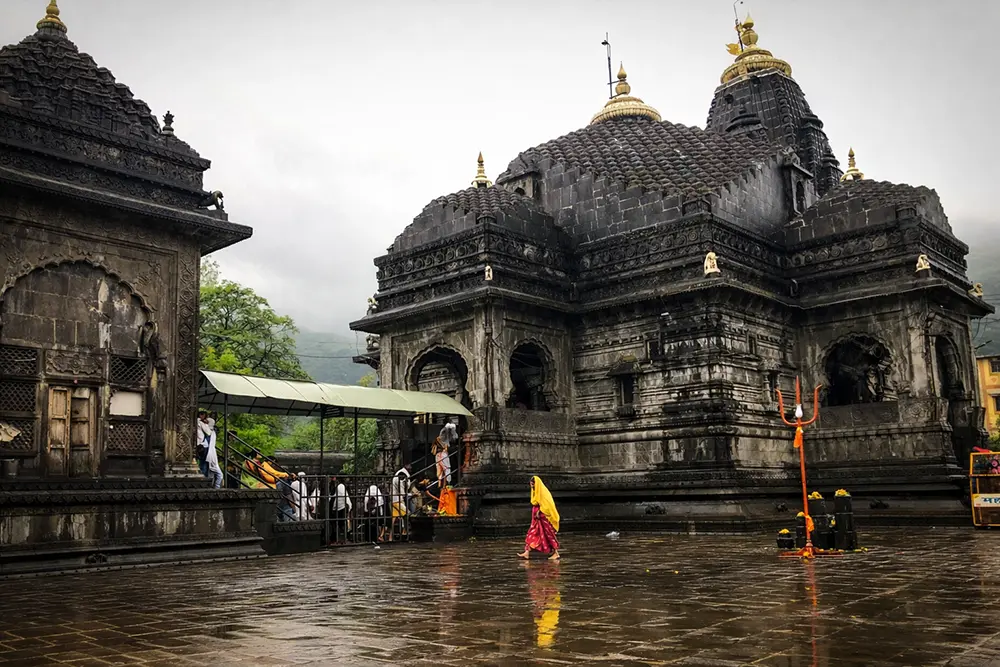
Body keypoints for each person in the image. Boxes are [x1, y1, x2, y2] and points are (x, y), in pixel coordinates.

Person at [518, 476, 560, 561]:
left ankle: (556, 553)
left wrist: (540, 511)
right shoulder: (535, 492)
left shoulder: (544, 492)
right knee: (532, 533)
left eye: (533, 484)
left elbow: (548, 505)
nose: (532, 486)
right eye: (531, 484)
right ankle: (527, 552)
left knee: (548, 534)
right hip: (536, 519)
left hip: (543, 517)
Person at [330, 478, 353, 544]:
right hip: (342, 507)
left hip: (340, 507)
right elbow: (344, 496)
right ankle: (343, 539)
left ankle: (342, 539)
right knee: (342, 524)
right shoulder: (341, 486)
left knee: (341, 524)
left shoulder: (340, 486)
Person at [203, 419, 222, 489]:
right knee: (220, 475)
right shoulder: (210, 434)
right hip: (210, 455)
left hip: (210, 455)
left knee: (210, 475)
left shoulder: (209, 434)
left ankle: (211, 487)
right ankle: (216, 487)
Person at [390, 471, 408, 541]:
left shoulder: (394, 479)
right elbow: (403, 494)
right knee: (407, 513)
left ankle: (390, 537)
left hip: (393, 500)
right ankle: (404, 532)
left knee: (393, 519)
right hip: (397, 501)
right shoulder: (399, 482)